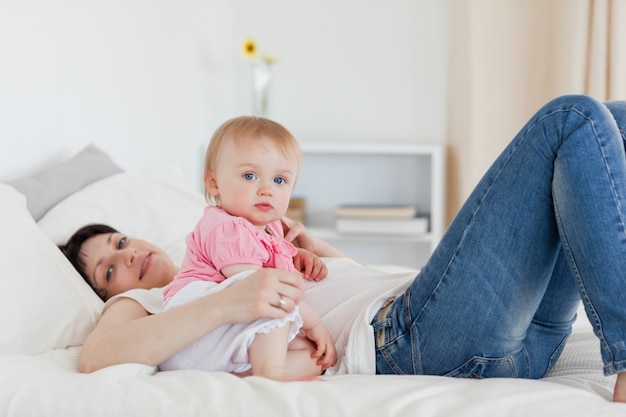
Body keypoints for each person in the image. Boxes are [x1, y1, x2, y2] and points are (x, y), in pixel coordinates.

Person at [61, 95, 626, 403]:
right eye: (109, 269)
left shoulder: (243, 239)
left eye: (120, 240)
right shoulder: (162, 301)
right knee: (572, 120)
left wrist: (311, 248)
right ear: (107, 294)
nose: (128, 256)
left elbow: (349, 278)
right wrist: (234, 300)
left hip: (523, 341)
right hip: (419, 336)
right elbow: (95, 358)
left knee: (615, 121)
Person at [159, 116, 336, 380]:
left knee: (313, 356)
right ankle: (269, 377)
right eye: (250, 176)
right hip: (195, 329)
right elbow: (258, 286)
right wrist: (313, 322)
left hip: (228, 334)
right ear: (214, 183)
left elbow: (268, 258)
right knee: (272, 309)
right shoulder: (224, 226)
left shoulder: (272, 227)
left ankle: (244, 377)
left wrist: (297, 254)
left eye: (279, 181)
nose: (266, 190)